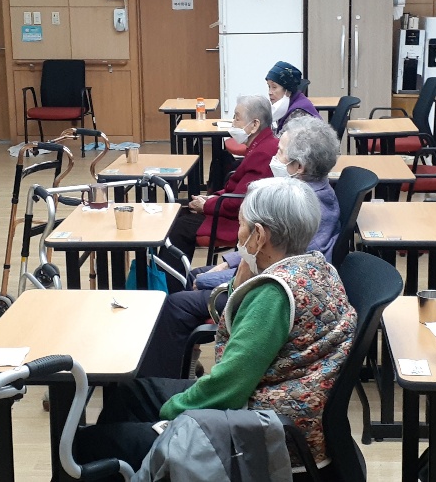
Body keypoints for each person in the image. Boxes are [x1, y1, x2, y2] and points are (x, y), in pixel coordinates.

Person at [75, 177, 357, 478]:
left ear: (259, 236)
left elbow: (228, 387)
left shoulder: (273, 295)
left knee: (92, 444)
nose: (238, 234)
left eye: (241, 225)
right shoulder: (317, 266)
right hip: (279, 404)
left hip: (264, 430)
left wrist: (171, 413)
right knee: (131, 393)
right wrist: (240, 282)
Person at [141, 117, 343, 379]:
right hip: (273, 276)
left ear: (299, 166)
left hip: (274, 291)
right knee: (191, 276)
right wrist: (229, 262)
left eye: (280, 152)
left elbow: (275, 265)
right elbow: (264, 245)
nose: (274, 157)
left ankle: (161, 379)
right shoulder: (308, 193)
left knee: (179, 303)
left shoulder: (302, 206)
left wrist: (212, 279)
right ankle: (184, 362)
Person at [161, 95, 278, 291]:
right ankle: (170, 282)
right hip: (233, 208)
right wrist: (213, 197)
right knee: (179, 214)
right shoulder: (261, 144)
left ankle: (171, 288)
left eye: (237, 118)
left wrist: (207, 205)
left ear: (254, 124)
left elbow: (239, 201)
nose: (233, 123)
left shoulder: (263, 152)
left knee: (179, 228)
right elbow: (239, 188)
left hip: (241, 221)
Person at [267, 60, 318, 132]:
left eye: (274, 87)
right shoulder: (287, 105)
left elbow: (285, 138)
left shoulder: (298, 113)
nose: (270, 92)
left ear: (287, 89)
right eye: (269, 86)